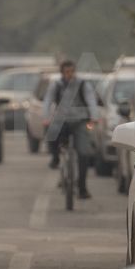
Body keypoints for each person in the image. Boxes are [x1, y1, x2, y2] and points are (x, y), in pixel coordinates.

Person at [42, 60, 99, 199]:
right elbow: (48, 100)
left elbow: (91, 99)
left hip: (80, 121)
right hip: (62, 120)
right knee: (52, 135)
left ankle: (82, 187)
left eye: (72, 71)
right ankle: (55, 158)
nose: (70, 74)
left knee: (83, 153)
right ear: (62, 73)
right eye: (67, 72)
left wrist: (94, 116)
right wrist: (46, 117)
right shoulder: (56, 85)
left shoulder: (82, 84)